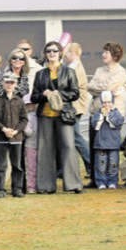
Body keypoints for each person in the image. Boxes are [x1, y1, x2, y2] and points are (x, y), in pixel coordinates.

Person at [31, 41, 83, 194]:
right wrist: (44, 95)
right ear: (45, 54)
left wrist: (58, 95)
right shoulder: (40, 74)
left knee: (68, 146)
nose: (52, 54)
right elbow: (34, 97)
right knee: (45, 149)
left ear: (60, 53)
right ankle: (46, 185)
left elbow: (75, 93)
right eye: (48, 51)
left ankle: (73, 184)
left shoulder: (69, 72)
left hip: (64, 114)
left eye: (55, 51)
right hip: (45, 115)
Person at [87, 42, 126, 187]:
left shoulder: (120, 71)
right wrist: (100, 88)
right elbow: (89, 87)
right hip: (96, 112)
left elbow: (108, 89)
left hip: (112, 115)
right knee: (95, 146)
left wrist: (100, 88)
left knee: (110, 149)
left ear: (114, 55)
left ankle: (111, 179)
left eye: (106, 52)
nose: (103, 55)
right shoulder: (99, 70)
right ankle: (96, 179)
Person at [0, 74, 28, 198]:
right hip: (1, 138)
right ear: (3, 84)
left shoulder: (19, 101)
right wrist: (4, 129)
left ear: (15, 84)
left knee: (17, 165)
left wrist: (16, 131)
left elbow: (24, 119)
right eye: (7, 82)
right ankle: (0, 189)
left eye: (12, 82)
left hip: (16, 138)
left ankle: (17, 188)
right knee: (0, 165)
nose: (9, 85)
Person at [64, 42, 91, 178]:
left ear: (73, 54)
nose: (64, 55)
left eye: (67, 52)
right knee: (76, 137)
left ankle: (91, 165)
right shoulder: (75, 66)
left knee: (76, 137)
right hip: (77, 106)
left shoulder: (73, 68)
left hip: (74, 106)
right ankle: (90, 167)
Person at [90, 91, 124, 189]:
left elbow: (118, 123)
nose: (106, 105)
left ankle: (112, 181)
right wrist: (101, 117)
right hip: (100, 143)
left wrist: (108, 117)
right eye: (104, 102)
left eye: (109, 102)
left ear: (112, 102)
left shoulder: (116, 113)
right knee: (101, 164)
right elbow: (94, 125)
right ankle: (101, 181)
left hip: (113, 143)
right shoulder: (98, 113)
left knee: (113, 163)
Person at [23, 93, 38, 194]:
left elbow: (28, 132)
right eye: (28, 104)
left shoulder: (28, 117)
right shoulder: (36, 116)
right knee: (32, 167)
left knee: (31, 166)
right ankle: (31, 186)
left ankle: (32, 186)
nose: (30, 106)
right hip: (32, 144)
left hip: (31, 144)